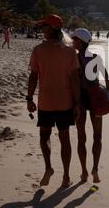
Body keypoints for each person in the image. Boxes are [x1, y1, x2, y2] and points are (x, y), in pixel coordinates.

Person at [27, 14, 82, 189]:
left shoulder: (38, 50)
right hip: (65, 102)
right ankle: (66, 176)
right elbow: (74, 79)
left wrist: (29, 98)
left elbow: (33, 77)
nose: (42, 30)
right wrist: (78, 102)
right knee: (64, 138)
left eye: (44, 27)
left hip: (46, 101)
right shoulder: (70, 51)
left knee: (44, 136)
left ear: (51, 29)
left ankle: (49, 167)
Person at [72, 28, 109, 184]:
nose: (72, 41)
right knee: (98, 136)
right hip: (96, 97)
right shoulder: (95, 58)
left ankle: (84, 172)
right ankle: (95, 169)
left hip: (81, 99)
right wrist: (107, 96)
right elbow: (107, 79)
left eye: (74, 39)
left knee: (81, 137)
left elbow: (73, 82)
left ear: (80, 41)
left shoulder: (74, 59)